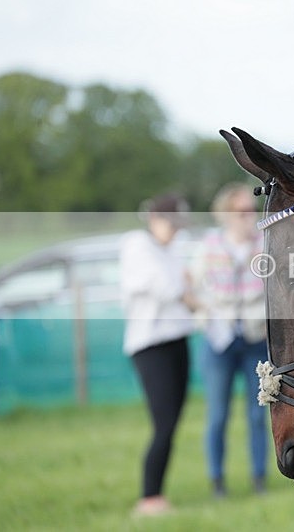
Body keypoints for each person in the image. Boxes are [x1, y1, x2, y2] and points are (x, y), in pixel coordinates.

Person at [190, 183, 268, 497]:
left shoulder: (266, 244)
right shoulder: (208, 246)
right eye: (240, 212)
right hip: (219, 341)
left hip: (256, 339)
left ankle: (259, 477)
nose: (247, 218)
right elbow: (191, 289)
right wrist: (207, 315)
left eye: (250, 212)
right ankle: (217, 480)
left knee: (257, 413)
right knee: (218, 415)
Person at [119, 193, 195, 516]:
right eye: (172, 224)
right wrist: (191, 295)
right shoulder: (137, 244)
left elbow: (186, 284)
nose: (176, 231)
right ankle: (149, 498)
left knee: (172, 422)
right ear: (155, 219)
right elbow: (167, 286)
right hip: (151, 347)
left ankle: (157, 496)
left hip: (177, 340)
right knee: (163, 423)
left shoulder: (171, 251)